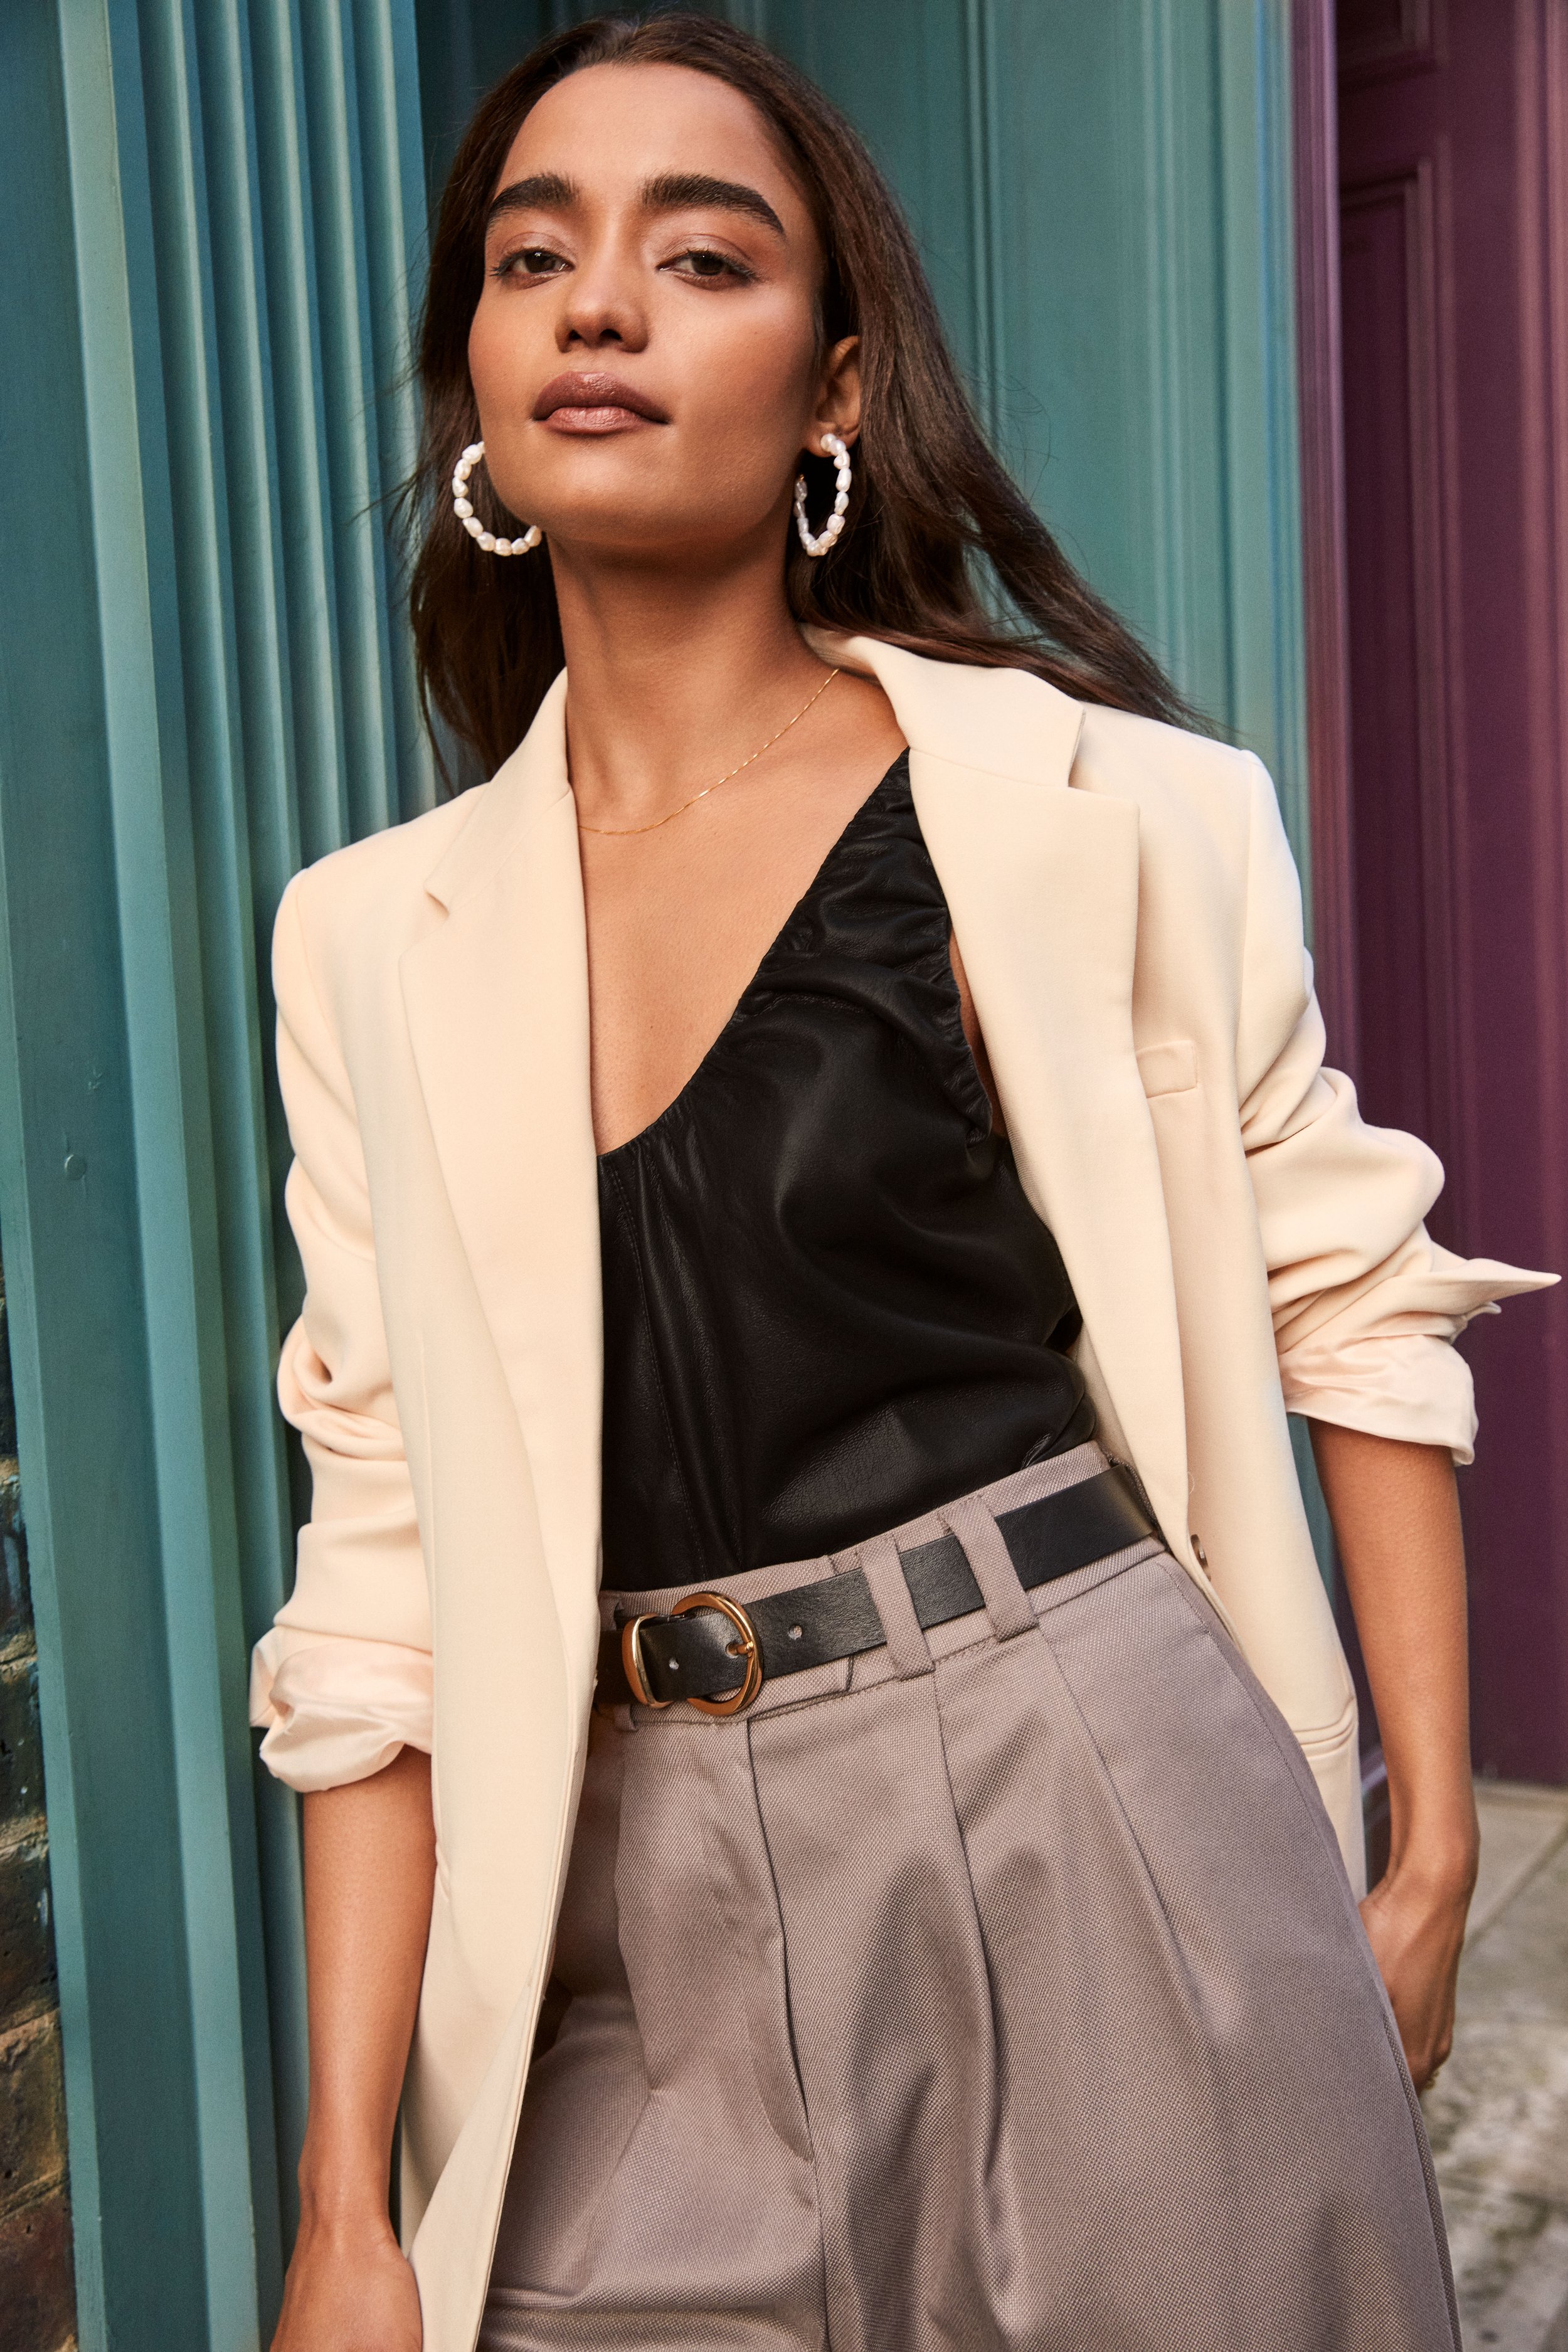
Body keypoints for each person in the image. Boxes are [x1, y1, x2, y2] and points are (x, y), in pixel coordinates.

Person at [250, 16, 1553, 2351]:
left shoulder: (1100, 812)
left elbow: (1346, 1298)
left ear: (836, 387)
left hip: (1090, 1793)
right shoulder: (370, 939)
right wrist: (350, 2201)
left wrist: (1426, 1851)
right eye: (533, 254)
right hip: (624, 1907)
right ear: (475, 375)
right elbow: (382, 1579)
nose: (599, 305)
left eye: (701, 253)